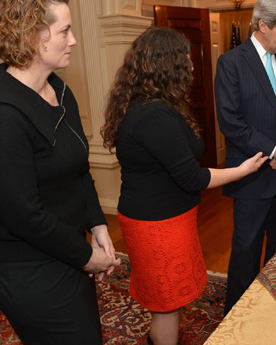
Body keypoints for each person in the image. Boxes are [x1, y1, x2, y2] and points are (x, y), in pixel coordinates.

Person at [0, 0, 120, 344]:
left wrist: (97, 225)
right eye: (64, 30)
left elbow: (79, 168)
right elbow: (24, 215)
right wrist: (87, 257)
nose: (74, 40)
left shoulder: (59, 89)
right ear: (33, 37)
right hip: (27, 267)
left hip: (66, 248)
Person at [100, 27, 267, 345]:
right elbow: (193, 178)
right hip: (156, 225)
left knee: (168, 299)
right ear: (168, 66)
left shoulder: (152, 105)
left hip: (164, 217)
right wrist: (241, 170)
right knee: (167, 303)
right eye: (186, 60)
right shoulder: (153, 114)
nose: (192, 66)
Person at [214, 0, 276, 315]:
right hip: (252, 178)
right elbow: (231, 122)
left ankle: (274, 313)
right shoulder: (231, 63)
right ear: (263, 25)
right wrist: (273, 151)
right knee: (246, 252)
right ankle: (237, 318)